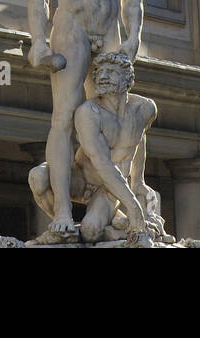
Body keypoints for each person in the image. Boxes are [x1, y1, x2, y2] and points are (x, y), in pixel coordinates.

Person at [26, 0, 143, 241]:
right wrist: (38, 42)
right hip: (72, 28)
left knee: (118, 115)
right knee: (63, 118)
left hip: (109, 29)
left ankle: (117, 202)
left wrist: (134, 39)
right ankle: (61, 208)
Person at [28, 52, 157, 247]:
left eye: (111, 72)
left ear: (128, 79)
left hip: (108, 188)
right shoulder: (89, 113)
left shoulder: (145, 109)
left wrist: (138, 180)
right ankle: (65, 227)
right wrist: (133, 205)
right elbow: (102, 163)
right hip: (80, 179)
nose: (103, 76)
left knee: (90, 232)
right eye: (99, 72)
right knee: (38, 177)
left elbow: (139, 139)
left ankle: (112, 223)